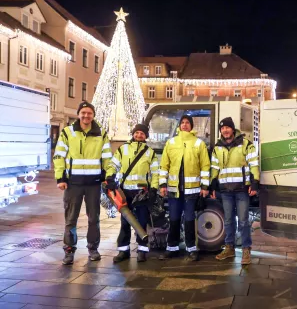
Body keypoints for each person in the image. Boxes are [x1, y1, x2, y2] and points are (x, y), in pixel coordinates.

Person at [53, 101, 112, 265]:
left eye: (89, 113)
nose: (86, 116)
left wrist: (108, 176)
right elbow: (59, 156)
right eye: (83, 113)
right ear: (79, 114)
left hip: (93, 184)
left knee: (94, 219)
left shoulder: (101, 133)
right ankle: (69, 251)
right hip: (73, 184)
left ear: (93, 115)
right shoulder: (67, 132)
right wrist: (61, 178)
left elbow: (107, 157)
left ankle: (93, 248)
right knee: (71, 219)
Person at [105, 124, 159, 263]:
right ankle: (123, 251)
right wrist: (110, 177)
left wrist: (153, 188)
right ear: (133, 134)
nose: (139, 135)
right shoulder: (123, 149)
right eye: (137, 133)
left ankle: (142, 250)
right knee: (125, 222)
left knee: (141, 222)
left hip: (142, 192)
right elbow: (113, 165)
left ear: (146, 136)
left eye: (142, 133)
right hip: (125, 192)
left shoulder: (150, 152)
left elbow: (155, 173)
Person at [159, 115, 210, 261]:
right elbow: (164, 166)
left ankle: (191, 249)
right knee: (174, 219)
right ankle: (172, 248)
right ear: (179, 125)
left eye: (187, 123)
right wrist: (162, 184)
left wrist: (205, 186)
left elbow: (205, 166)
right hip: (174, 190)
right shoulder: (171, 142)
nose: (185, 125)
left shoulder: (198, 143)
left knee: (189, 220)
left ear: (191, 126)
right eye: (182, 122)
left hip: (192, 191)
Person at [210, 117, 259, 265]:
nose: (225, 130)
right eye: (222, 128)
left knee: (243, 221)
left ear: (232, 129)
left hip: (241, 189)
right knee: (229, 220)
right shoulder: (217, 148)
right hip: (225, 190)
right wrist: (212, 185)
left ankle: (246, 249)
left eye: (227, 127)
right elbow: (214, 168)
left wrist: (255, 182)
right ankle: (229, 247)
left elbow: (254, 164)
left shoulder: (245, 144)